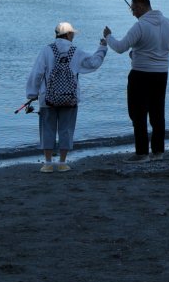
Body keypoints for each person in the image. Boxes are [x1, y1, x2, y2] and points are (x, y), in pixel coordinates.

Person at [103, 0, 169, 161]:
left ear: (142, 6)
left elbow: (120, 47)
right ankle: (158, 152)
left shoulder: (140, 26)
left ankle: (142, 153)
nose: (133, 13)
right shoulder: (168, 23)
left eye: (134, 9)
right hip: (161, 75)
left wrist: (108, 36)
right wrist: (143, 51)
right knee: (157, 113)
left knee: (138, 113)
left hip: (140, 75)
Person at [26, 22, 108, 173]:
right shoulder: (76, 51)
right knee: (66, 129)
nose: (74, 36)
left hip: (47, 98)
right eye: (73, 33)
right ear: (69, 34)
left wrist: (32, 94)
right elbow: (93, 63)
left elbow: (37, 73)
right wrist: (102, 48)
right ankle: (62, 163)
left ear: (56, 34)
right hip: (70, 98)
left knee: (47, 129)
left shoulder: (46, 50)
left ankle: (48, 164)